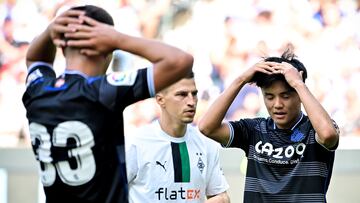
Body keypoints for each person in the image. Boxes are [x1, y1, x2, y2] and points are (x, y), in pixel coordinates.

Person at [22, 5, 193, 203]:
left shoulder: (38, 89)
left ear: (61, 46)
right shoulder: (103, 91)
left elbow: (34, 58)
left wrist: (51, 30)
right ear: (106, 48)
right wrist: (118, 39)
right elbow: (181, 61)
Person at [198, 46, 340, 203]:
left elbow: (328, 135)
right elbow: (206, 127)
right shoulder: (253, 129)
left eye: (285, 96)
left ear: (300, 95)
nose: (277, 104)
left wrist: (299, 84)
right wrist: (241, 79)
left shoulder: (315, 128)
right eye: (269, 97)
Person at [125, 72, 230, 203]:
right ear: (160, 99)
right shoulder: (135, 142)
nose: (191, 102)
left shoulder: (206, 142)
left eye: (194, 94)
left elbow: (221, 196)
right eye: (182, 95)